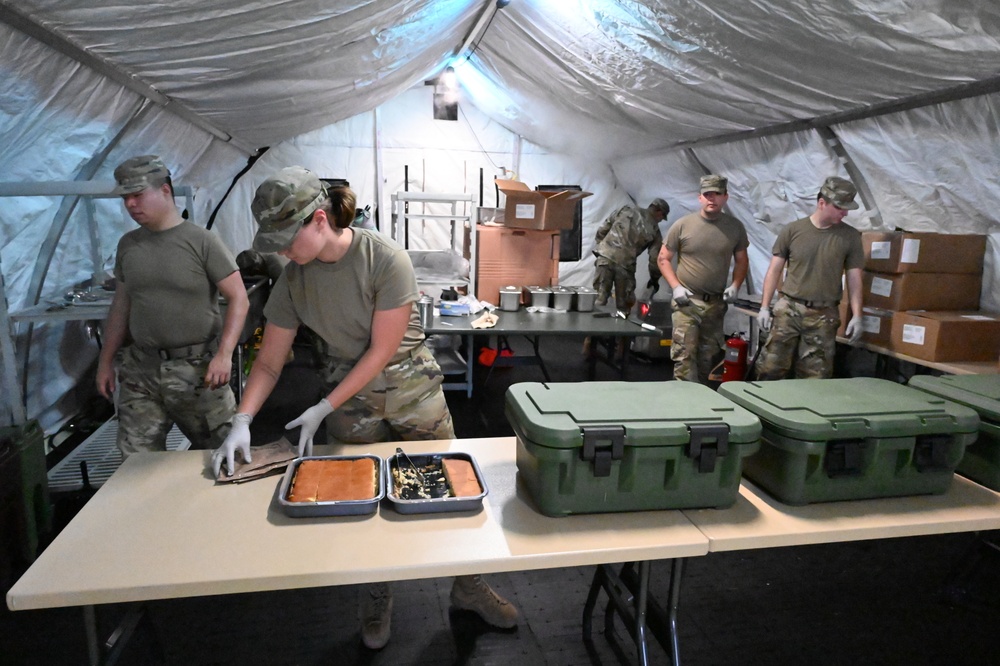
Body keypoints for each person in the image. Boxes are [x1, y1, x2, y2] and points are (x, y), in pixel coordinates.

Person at [210, 166, 518, 650]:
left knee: (451, 494)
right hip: (348, 399)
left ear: (318, 220)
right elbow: (269, 363)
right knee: (358, 501)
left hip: (410, 389)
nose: (283, 252)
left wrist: (321, 406)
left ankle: (469, 584)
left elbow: (380, 351)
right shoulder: (294, 281)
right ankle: (377, 592)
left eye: (287, 239)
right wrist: (242, 419)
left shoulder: (384, 259)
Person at [96, 155, 249, 455]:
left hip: (197, 371)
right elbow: (121, 306)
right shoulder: (128, 245)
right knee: (135, 464)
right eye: (126, 198)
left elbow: (238, 298)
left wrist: (224, 355)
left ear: (165, 191)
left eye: (138, 195)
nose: (130, 205)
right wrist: (106, 361)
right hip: (143, 370)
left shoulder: (201, 242)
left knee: (224, 454)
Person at [754, 177, 865, 379]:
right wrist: (764, 307)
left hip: (824, 315)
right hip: (789, 309)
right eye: (840, 207)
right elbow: (774, 270)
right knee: (770, 369)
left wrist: (857, 315)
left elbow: (855, 279)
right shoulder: (793, 231)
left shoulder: (850, 237)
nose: (845, 213)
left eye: (847, 208)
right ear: (822, 203)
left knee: (815, 376)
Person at [657, 174, 749, 384]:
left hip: (715, 305)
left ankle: (702, 404)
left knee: (708, 359)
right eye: (707, 194)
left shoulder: (734, 228)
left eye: (717, 194)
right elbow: (663, 258)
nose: (711, 199)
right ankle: (683, 405)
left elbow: (742, 260)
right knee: (684, 357)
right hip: (687, 303)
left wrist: (735, 285)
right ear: (699, 198)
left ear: (726, 197)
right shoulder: (683, 226)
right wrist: (676, 287)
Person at [592, 198, 670, 312]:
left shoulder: (625, 210)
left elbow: (603, 229)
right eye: (662, 218)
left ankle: (594, 326)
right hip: (625, 266)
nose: (660, 221)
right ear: (659, 212)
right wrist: (654, 279)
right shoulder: (655, 231)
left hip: (605, 259)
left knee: (599, 299)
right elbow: (655, 259)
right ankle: (621, 328)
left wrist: (603, 249)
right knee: (623, 305)